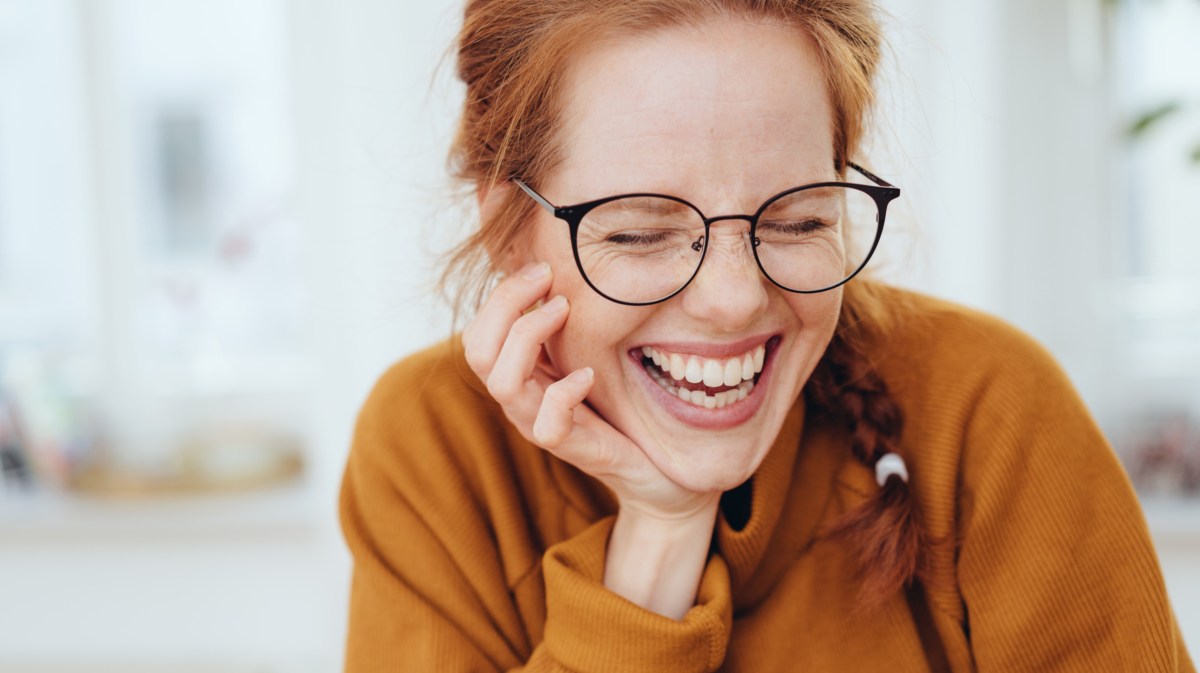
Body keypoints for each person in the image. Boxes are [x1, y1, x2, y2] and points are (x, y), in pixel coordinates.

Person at [338, 1, 1197, 670]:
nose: (734, 299)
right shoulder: (433, 447)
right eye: (639, 232)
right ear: (506, 230)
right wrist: (662, 530)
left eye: (793, 220)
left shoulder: (990, 406)